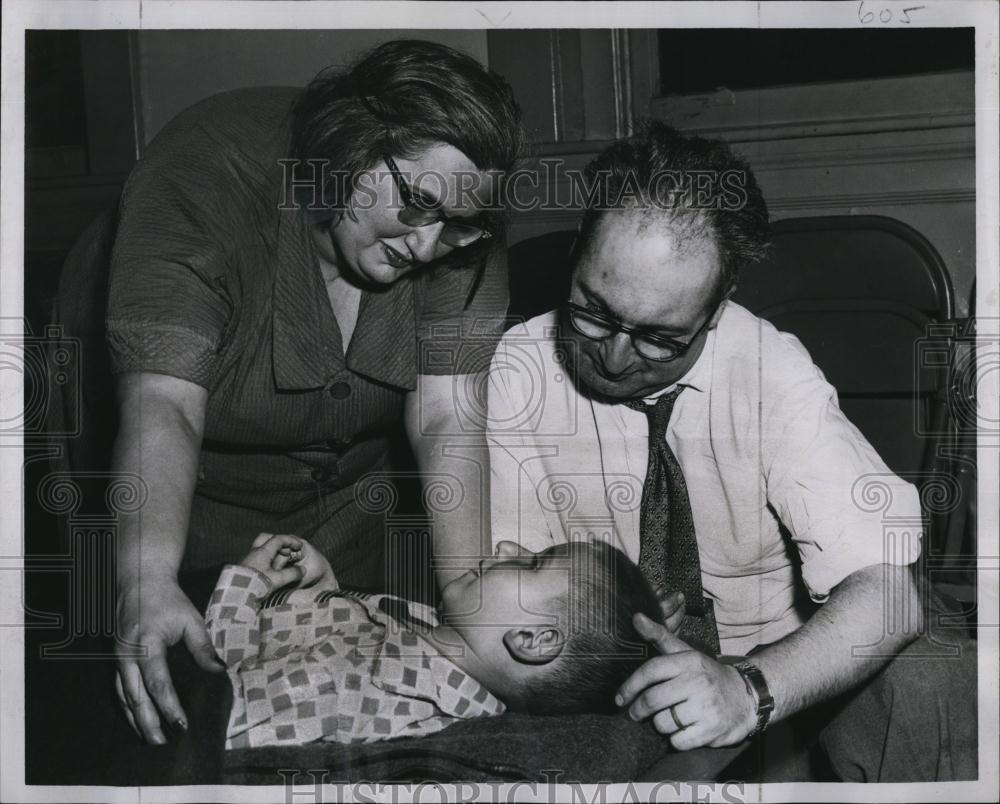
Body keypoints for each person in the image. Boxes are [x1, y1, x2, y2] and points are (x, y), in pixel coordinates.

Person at [50, 39, 525, 746]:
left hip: (346, 519)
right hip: (176, 508)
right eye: (417, 204)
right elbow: (165, 405)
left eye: (455, 225)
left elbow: (448, 414)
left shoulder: (459, 229)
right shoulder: (205, 170)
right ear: (350, 145)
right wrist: (146, 579)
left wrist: (467, 603)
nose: (428, 250)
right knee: (171, 725)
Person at [486, 121, 976, 780]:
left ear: (719, 306)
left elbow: (890, 593)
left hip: (785, 669)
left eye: (661, 337)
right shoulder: (512, 374)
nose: (614, 355)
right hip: (611, 684)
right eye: (594, 311)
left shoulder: (771, 370)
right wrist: (599, 634)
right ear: (577, 250)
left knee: (924, 672)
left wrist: (750, 690)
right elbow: (503, 610)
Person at [205, 533, 663, 747]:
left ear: (533, 639)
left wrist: (243, 588)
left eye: (531, 565)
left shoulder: (355, 689)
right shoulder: (439, 636)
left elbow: (218, 702)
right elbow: (346, 629)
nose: (506, 548)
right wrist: (322, 592)